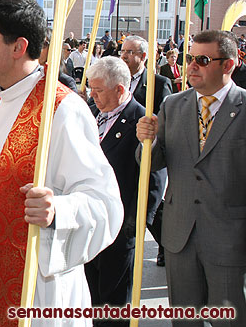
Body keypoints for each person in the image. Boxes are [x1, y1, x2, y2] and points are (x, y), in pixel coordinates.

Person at [0, 0, 122, 326]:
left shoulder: (62, 109)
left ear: (18, 47)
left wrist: (59, 209)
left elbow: (105, 204)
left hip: (35, 291)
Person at [136, 30, 246, 327]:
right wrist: (148, 141)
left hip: (228, 240)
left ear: (229, 65)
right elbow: (152, 163)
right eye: (189, 58)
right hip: (179, 236)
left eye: (203, 59)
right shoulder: (174, 104)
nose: (192, 66)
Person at [84, 57, 165, 326]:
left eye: (98, 90)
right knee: (89, 297)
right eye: (91, 89)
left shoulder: (142, 122)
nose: (92, 96)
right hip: (87, 223)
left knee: (113, 304)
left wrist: (135, 226)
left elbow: (154, 180)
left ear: (120, 90)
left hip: (119, 229)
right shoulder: (90, 113)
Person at [120, 35, 171, 266]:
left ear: (142, 57)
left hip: (147, 152)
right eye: (123, 50)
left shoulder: (157, 83)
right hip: (123, 151)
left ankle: (166, 246)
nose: (124, 55)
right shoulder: (117, 79)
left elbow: (166, 116)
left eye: (130, 52)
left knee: (154, 208)